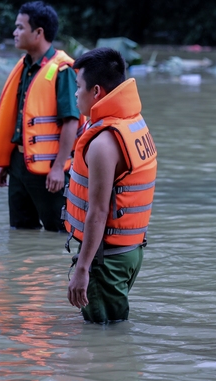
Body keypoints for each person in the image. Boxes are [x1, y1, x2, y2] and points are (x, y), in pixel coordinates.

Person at [64, 47, 157, 323]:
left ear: (96, 92)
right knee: (112, 331)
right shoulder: (134, 124)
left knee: (102, 340)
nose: (75, 94)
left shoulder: (103, 143)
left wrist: (82, 269)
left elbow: (98, 212)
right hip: (130, 251)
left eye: (78, 87)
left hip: (106, 260)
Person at [0, 1, 80, 231]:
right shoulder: (24, 66)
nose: (14, 32)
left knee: (58, 232)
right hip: (18, 166)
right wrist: (5, 163)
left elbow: (71, 121)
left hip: (50, 168)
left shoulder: (62, 70)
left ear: (38, 33)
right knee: (20, 232)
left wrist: (59, 168)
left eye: (20, 27)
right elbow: (18, 121)